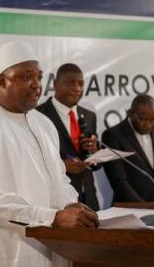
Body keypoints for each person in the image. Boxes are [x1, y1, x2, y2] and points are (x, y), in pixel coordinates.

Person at [0, 41, 99, 267]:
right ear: (2, 80)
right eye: (26, 77)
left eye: (39, 77)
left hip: (51, 249)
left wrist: (69, 204)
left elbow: (59, 178)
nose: (36, 85)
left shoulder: (44, 124)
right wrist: (53, 218)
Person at [36, 63, 100, 210]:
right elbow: (31, 161)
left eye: (81, 84)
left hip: (89, 199)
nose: (77, 88)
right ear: (55, 84)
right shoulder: (38, 115)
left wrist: (95, 153)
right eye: (71, 83)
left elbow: (96, 166)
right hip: (57, 202)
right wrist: (62, 166)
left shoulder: (90, 116)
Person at [102, 94, 154, 204]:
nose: (148, 125)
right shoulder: (112, 136)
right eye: (143, 119)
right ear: (130, 113)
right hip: (130, 211)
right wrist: (145, 208)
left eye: (153, 120)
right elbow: (119, 181)